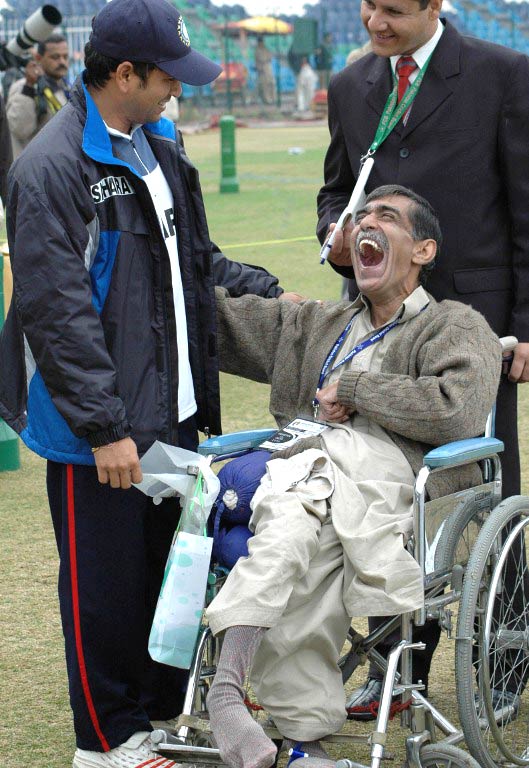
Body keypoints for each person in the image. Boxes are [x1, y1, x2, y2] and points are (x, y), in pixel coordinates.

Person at [0, 0, 293, 766]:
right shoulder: (53, 166)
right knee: (103, 591)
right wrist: (104, 428)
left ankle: (159, 718)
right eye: (167, 76)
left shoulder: (155, 147)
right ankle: (105, 742)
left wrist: (278, 299)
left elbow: (196, 263)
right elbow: (54, 312)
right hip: (99, 430)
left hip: (171, 412)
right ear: (124, 73)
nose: (178, 90)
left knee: (169, 577)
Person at [205, 185, 501, 768]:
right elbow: (218, 319)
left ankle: (238, 691)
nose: (365, 223)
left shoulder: (456, 326)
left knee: (302, 490)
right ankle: (289, 733)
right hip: (313, 482)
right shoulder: (320, 324)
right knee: (299, 532)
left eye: (386, 217)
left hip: (396, 479)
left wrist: (357, 389)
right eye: (360, 216)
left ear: (423, 250)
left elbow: (458, 407)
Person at [316, 0, 529, 715]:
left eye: (395, 11)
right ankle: (392, 669)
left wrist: (525, 325)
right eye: (368, 6)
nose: (376, 22)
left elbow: (525, 207)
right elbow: (334, 191)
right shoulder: (349, 88)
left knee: (484, 493)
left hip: (474, 331)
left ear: (435, 6)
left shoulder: (503, 76)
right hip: (380, 327)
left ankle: (503, 662)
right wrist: (334, 233)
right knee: (380, 497)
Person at [6, 33, 70, 158]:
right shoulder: (23, 87)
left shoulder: (66, 86)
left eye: (65, 56)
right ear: (38, 58)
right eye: (55, 57)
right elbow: (20, 129)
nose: (62, 62)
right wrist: (29, 86)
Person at [254, 36, 275, 105]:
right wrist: (259, 68)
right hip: (262, 69)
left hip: (268, 67)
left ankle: (272, 98)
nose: (261, 43)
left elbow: (270, 57)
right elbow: (259, 60)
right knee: (264, 85)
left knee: (271, 83)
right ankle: (267, 100)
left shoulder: (265, 49)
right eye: (260, 42)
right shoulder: (257, 50)